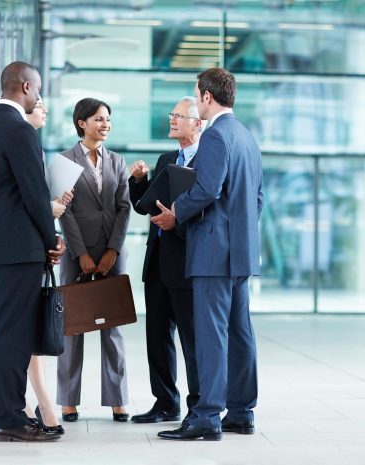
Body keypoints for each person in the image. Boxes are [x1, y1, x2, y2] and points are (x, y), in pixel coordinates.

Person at [152, 68, 263, 441]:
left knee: (212, 335)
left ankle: (206, 418)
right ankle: (242, 412)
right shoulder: (247, 137)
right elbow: (257, 198)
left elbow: (208, 189)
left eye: (197, 95)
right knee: (239, 331)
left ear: (206, 98)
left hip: (214, 251)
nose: (197, 101)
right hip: (241, 250)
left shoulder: (216, 136)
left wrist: (174, 214)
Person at [0, 61, 65, 442]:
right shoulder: (20, 130)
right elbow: (33, 195)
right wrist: (52, 240)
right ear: (26, 87)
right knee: (12, 334)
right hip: (19, 249)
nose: (39, 99)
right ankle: (11, 418)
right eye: (39, 92)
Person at [56, 97, 132, 423]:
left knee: (112, 327)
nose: (105, 125)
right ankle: (68, 400)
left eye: (108, 120)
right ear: (81, 123)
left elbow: (124, 207)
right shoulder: (63, 161)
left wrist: (113, 250)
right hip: (77, 256)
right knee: (72, 327)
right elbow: (64, 211)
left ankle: (118, 399)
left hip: (112, 254)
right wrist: (81, 253)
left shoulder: (117, 161)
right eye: (98, 119)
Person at [128, 96, 202, 425]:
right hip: (157, 262)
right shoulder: (167, 158)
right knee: (157, 338)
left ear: (197, 123)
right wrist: (140, 182)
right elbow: (145, 206)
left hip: (188, 263)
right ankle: (165, 402)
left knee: (192, 339)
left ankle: (199, 405)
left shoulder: (208, 161)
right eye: (172, 115)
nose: (172, 120)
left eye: (179, 116)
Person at [23, 96, 71, 435]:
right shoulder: (22, 139)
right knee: (26, 333)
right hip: (23, 247)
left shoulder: (31, 144)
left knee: (31, 333)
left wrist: (53, 206)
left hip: (31, 246)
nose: (45, 111)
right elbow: (28, 202)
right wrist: (50, 217)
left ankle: (37, 402)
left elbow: (35, 200)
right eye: (40, 104)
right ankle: (41, 403)